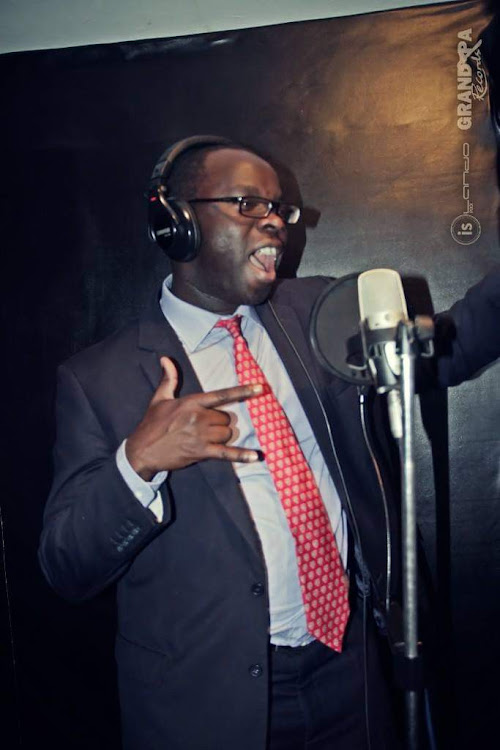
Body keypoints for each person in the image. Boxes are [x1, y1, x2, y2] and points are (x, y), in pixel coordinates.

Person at [39, 136, 500, 750]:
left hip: (351, 669)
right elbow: (66, 566)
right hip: (209, 700)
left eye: (280, 209)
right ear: (175, 223)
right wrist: (138, 463)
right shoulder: (99, 380)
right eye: (249, 205)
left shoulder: (322, 313)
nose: (277, 224)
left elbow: (447, 350)